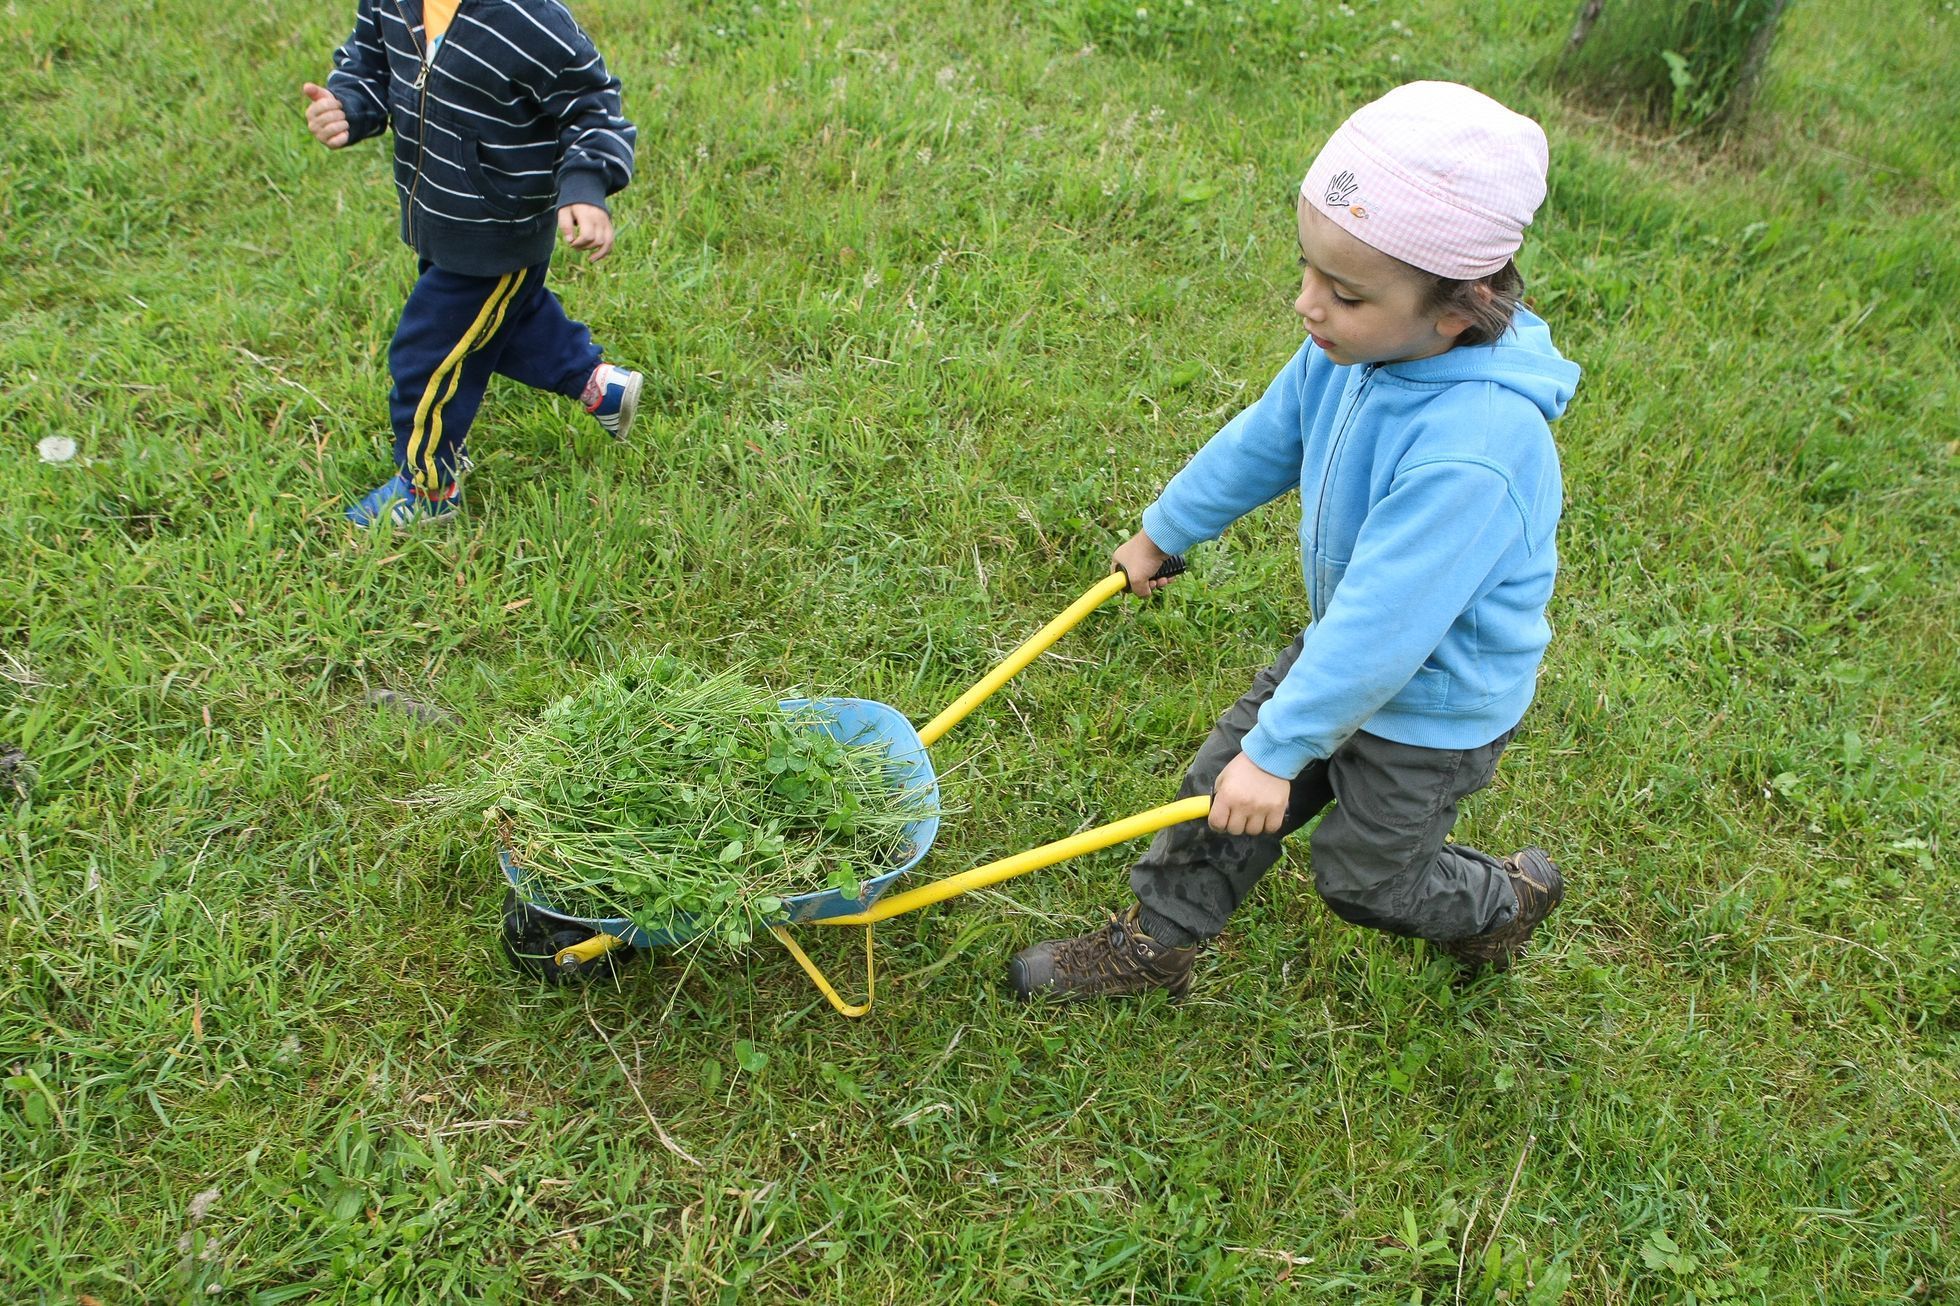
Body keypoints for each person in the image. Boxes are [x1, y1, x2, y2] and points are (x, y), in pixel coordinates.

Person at [1010, 82, 1583, 1002]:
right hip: (1343, 652)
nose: (1308, 307)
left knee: (1364, 876)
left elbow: (1385, 629)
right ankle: (1155, 946)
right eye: (1310, 272)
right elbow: (1268, 438)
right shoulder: (1355, 351)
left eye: (1345, 293)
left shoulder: (1478, 452)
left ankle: (1499, 901)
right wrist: (1166, 531)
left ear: (1456, 312)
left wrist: (1279, 753)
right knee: (1215, 795)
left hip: (1429, 711)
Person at [303, 0, 643, 527]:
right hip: (438, 211)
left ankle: (428, 488)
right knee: (501, 324)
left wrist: (586, 184)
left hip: (498, 228)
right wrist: (347, 105)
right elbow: (370, 63)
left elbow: (592, 102)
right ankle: (598, 384)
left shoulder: (526, 17)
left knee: (430, 355)